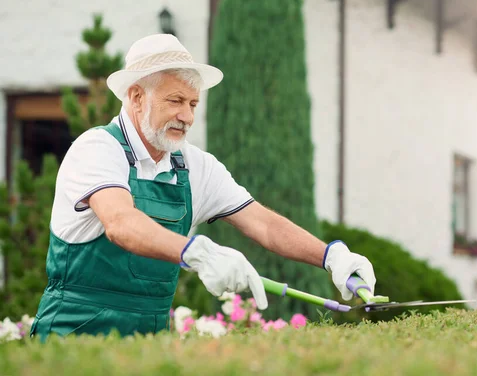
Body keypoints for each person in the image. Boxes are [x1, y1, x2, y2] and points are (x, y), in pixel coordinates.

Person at [30, 34, 376, 341]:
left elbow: (264, 224)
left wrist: (331, 256)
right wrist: (195, 251)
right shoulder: (97, 149)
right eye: (176, 101)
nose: (187, 116)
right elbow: (120, 223)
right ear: (136, 97)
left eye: (193, 104)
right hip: (73, 335)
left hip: (148, 344)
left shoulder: (195, 166)